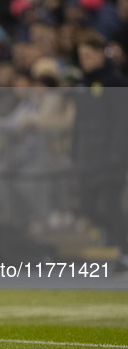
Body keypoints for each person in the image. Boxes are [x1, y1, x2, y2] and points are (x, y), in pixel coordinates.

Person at [72, 29, 128, 272]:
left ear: (99, 54)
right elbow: (79, 121)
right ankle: (121, 244)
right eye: (80, 55)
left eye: (87, 54)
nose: (83, 60)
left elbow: (121, 120)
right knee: (87, 206)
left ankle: (123, 252)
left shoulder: (115, 81)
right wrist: (75, 148)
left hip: (110, 157)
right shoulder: (83, 84)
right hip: (89, 156)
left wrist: (118, 153)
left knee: (111, 205)